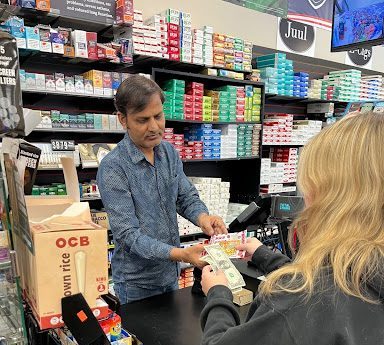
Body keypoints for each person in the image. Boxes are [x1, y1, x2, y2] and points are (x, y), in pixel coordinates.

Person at [200, 113, 384, 345]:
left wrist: (218, 294)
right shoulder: (367, 272)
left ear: (331, 196)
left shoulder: (299, 302)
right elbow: (337, 274)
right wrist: (264, 255)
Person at [97, 75, 227, 304]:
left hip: (170, 275)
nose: (154, 127)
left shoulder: (168, 153)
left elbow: (185, 196)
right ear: (123, 119)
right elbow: (128, 235)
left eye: (158, 116)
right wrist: (180, 254)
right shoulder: (113, 168)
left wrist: (203, 217)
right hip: (137, 283)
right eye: (142, 120)